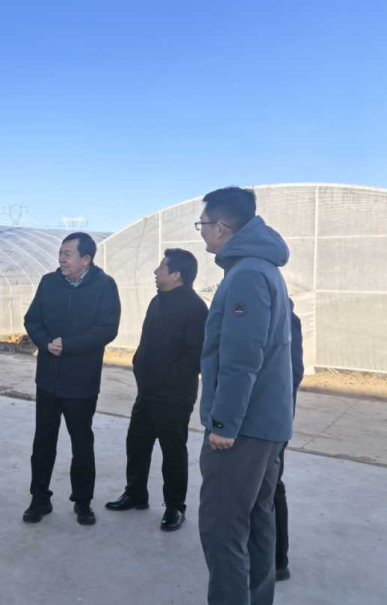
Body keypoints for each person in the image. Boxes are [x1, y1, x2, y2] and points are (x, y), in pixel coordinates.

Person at [196, 187, 294, 605]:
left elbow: (241, 357)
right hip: (266, 425)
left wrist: (224, 423)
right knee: (257, 520)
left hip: (243, 429)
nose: (202, 232)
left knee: (223, 527)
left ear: (221, 227)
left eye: (203, 224)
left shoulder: (247, 274)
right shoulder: (262, 268)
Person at [23, 232, 121, 526]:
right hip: (48, 379)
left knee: (82, 444)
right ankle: (39, 499)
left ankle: (83, 502)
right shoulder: (48, 282)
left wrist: (69, 345)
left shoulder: (105, 286)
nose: (61, 259)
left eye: (68, 254)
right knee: (43, 443)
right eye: (60, 253)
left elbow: (107, 329)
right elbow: (32, 319)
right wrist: (44, 342)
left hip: (81, 381)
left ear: (85, 259)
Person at [106, 248, 208, 531]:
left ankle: (175, 507)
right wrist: (138, 363)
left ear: (176, 275)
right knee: (136, 444)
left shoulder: (195, 308)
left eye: (162, 267)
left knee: (172, 452)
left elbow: (196, 355)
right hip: (147, 392)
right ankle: (136, 494)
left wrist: (166, 379)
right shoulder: (157, 300)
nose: (155, 271)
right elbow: (148, 341)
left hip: (174, 396)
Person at [275, 299, 304, 581]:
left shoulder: (285, 318)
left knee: (270, 486)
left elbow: (292, 374)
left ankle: (277, 561)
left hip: (270, 423)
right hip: (250, 421)